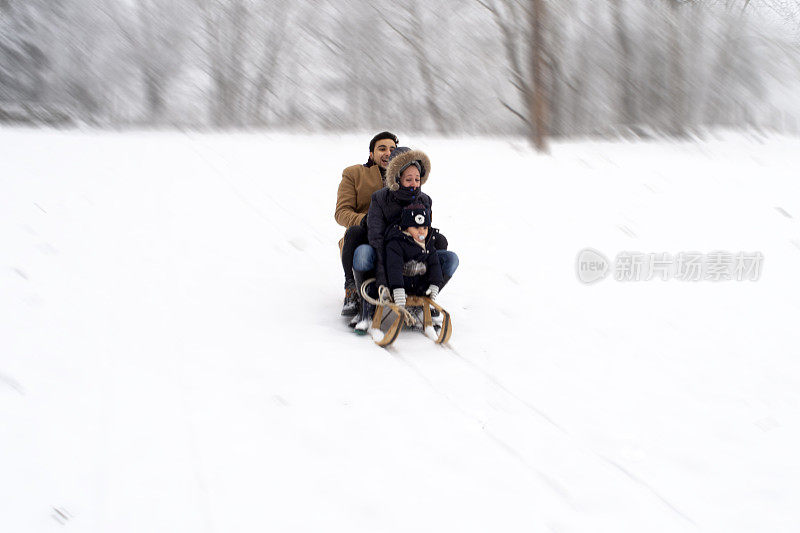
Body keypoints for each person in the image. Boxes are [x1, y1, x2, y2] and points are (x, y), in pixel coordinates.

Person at [352, 146, 459, 333]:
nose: (414, 184)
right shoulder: (380, 199)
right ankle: (367, 307)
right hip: (386, 254)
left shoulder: (425, 200)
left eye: (417, 179)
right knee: (362, 253)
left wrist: (429, 272)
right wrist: (383, 281)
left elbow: (424, 238)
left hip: (412, 256)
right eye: (408, 179)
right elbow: (376, 239)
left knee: (450, 258)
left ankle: (420, 302)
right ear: (396, 178)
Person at [334, 131, 399, 317]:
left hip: (393, 236)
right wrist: (365, 220)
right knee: (354, 234)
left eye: (392, 149)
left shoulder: (404, 175)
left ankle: (418, 296)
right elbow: (341, 212)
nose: (388, 153)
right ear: (371, 154)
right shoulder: (354, 174)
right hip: (362, 235)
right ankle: (352, 290)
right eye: (382, 148)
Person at [385, 203, 444, 329]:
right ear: (406, 228)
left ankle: (422, 311)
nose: (421, 231)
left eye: (425, 227)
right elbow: (393, 267)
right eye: (416, 227)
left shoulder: (429, 245)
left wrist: (435, 284)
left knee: (434, 266)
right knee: (396, 269)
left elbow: (435, 265)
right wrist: (397, 288)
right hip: (403, 286)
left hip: (419, 286)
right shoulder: (396, 244)